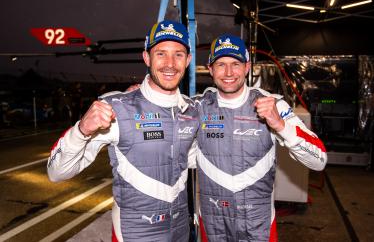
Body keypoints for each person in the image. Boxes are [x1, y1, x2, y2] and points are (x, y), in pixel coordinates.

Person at [47, 20, 199, 242]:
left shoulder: (192, 110)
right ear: (146, 57)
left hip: (181, 232)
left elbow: (201, 157)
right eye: (160, 54)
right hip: (134, 234)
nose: (170, 63)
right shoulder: (116, 107)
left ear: (188, 60)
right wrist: (81, 130)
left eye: (178, 54)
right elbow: (57, 173)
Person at [191, 34, 328, 241]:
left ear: (247, 67)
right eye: (221, 64)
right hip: (212, 224)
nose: (229, 72)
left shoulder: (273, 104)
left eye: (235, 64)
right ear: (210, 69)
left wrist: (280, 126)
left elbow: (319, 160)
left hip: (258, 225)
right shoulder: (197, 107)